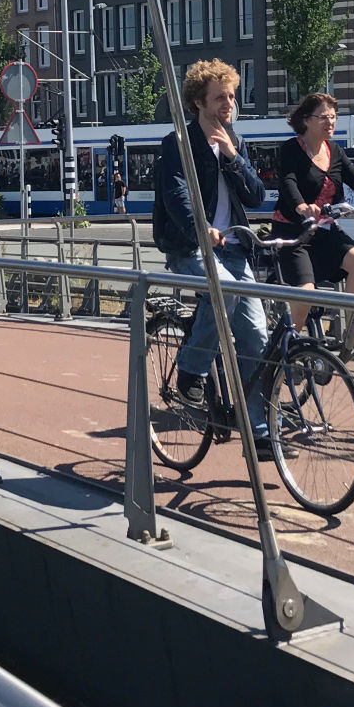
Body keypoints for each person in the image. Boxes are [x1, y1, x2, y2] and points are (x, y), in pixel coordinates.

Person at [150, 59, 270, 442]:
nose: (228, 104)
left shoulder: (236, 142)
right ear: (198, 102)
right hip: (189, 246)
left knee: (257, 337)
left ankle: (259, 430)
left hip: (234, 249)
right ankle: (191, 368)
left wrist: (234, 158)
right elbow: (176, 195)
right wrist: (201, 229)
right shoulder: (178, 143)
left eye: (232, 96)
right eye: (220, 97)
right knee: (225, 292)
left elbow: (256, 196)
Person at [273, 93, 354, 333]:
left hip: (325, 231)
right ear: (306, 120)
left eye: (333, 117)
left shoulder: (334, 150)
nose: (330, 122)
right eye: (324, 117)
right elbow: (288, 181)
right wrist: (301, 206)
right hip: (295, 232)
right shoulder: (291, 149)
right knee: (306, 294)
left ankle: (351, 332)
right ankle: (288, 343)